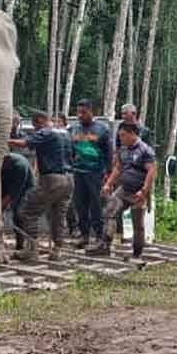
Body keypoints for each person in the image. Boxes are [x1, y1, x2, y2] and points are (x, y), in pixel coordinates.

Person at [9, 111, 74, 260]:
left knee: (28, 211)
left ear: (39, 122)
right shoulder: (65, 134)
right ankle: (58, 250)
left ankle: (31, 249)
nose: (35, 130)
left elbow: (25, 144)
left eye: (34, 127)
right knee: (58, 215)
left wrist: (3, 140)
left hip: (52, 179)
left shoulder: (46, 132)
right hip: (69, 179)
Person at [93, 122, 156, 258]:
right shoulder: (123, 149)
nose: (121, 138)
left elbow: (151, 171)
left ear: (132, 134)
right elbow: (118, 168)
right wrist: (108, 184)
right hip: (123, 189)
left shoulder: (145, 150)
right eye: (120, 135)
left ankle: (137, 253)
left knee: (137, 224)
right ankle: (105, 244)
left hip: (139, 191)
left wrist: (144, 191)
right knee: (110, 210)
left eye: (123, 135)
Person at [70, 98, 113, 249]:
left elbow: (109, 153)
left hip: (95, 173)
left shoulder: (102, 129)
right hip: (78, 172)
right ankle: (84, 236)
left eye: (83, 112)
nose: (80, 115)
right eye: (78, 112)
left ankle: (99, 236)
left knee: (96, 205)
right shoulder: (74, 129)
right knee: (80, 205)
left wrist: (109, 174)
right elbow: (71, 149)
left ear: (91, 111)